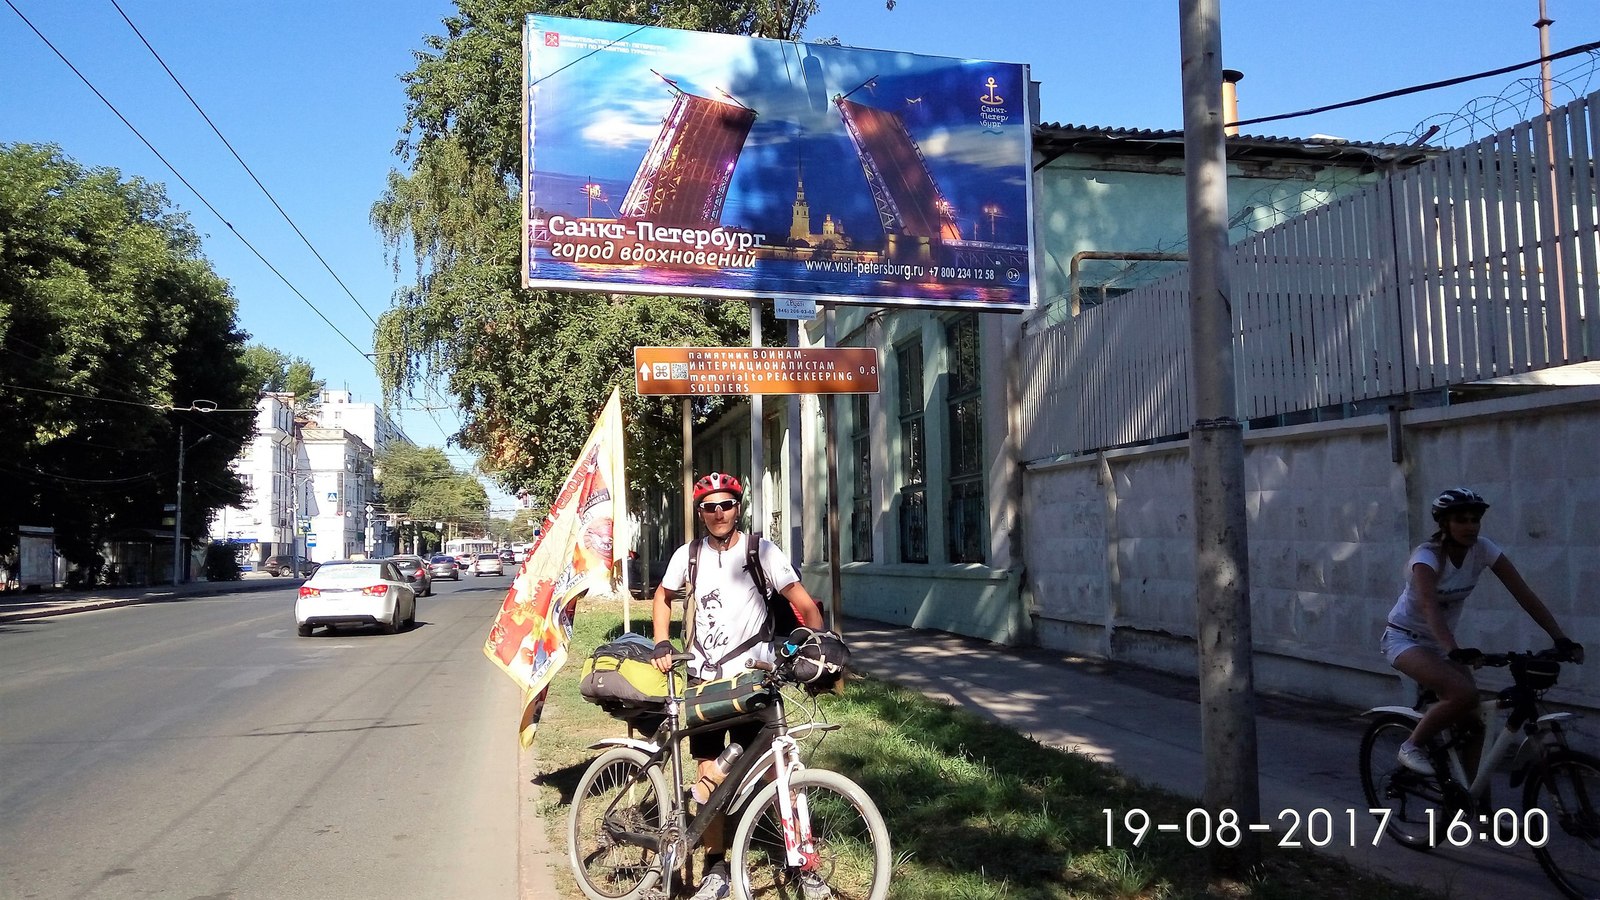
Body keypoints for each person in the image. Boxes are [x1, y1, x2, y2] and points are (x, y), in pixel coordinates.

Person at [650, 471, 825, 900]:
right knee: (708, 774)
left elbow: (803, 604)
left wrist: (818, 644)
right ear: (700, 513)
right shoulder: (688, 554)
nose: (718, 513)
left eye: (725, 504)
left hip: (753, 680)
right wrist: (661, 641)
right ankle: (715, 866)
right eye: (709, 507)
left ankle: (802, 862)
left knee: (773, 771)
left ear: (737, 507)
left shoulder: (760, 550)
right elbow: (662, 595)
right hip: (704, 681)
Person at [1382, 487, 1583, 776]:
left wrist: (1560, 637)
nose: (1470, 526)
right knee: (1462, 694)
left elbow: (1523, 593)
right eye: (1461, 520)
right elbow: (1430, 607)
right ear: (1445, 524)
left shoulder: (1483, 550)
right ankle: (1411, 745)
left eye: (1475, 520)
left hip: (1441, 645)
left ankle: (1474, 805)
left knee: (1474, 722)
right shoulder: (1428, 558)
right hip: (1404, 639)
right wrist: (1453, 649)